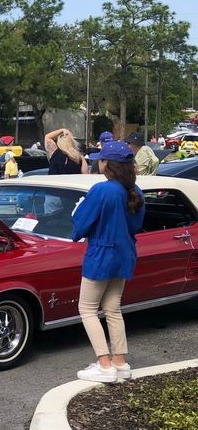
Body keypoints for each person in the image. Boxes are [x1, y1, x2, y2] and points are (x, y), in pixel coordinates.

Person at [71, 141, 145, 383]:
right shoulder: (136, 191)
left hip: (101, 254)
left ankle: (104, 365)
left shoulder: (102, 190)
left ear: (107, 164)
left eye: (100, 159)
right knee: (113, 308)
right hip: (125, 253)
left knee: (87, 308)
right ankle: (120, 362)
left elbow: (80, 223)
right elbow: (135, 225)